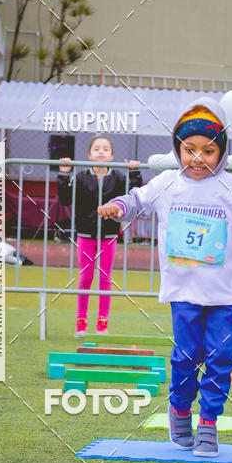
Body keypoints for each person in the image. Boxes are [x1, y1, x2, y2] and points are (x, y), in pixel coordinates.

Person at [97, 98, 232, 457]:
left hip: (225, 294)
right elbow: (136, 199)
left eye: (208, 150)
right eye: (189, 150)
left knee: (221, 360)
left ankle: (208, 423)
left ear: (221, 151)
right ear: (178, 149)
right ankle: (179, 411)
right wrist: (118, 207)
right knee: (187, 356)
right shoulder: (167, 182)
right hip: (184, 291)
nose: (198, 158)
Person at [57, 136, 141, 336]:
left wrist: (134, 173)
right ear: (89, 154)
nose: (101, 151)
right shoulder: (81, 176)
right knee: (86, 277)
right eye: (96, 148)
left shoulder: (119, 178)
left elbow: (133, 195)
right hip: (85, 234)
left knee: (105, 277)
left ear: (111, 155)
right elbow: (65, 199)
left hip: (108, 235)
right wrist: (64, 174)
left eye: (105, 149)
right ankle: (81, 322)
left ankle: (103, 322)